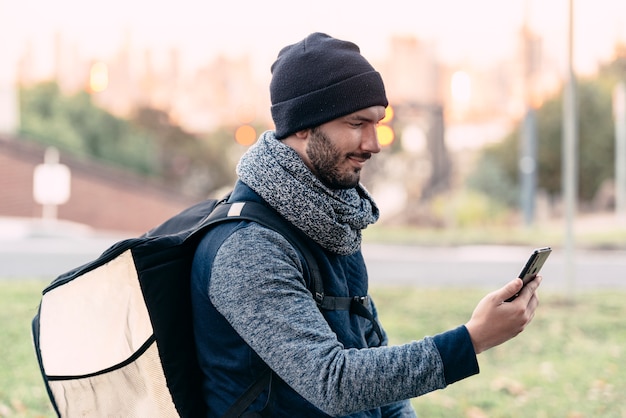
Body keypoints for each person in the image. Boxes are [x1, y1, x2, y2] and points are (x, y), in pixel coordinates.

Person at [190, 32, 541, 417]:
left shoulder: (332, 219)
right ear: (303, 125)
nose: (374, 143)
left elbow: (373, 356)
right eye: (358, 123)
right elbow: (333, 381)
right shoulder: (247, 248)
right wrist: (471, 340)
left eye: (377, 123)